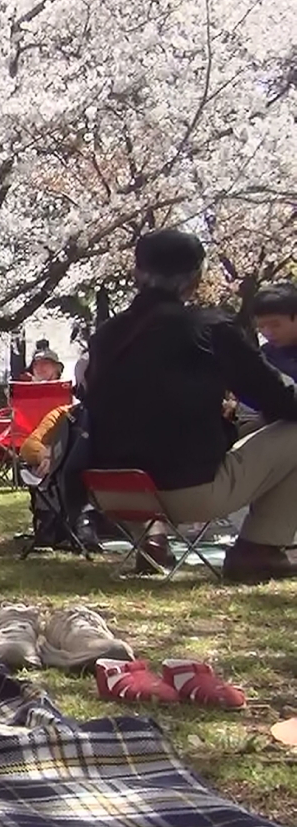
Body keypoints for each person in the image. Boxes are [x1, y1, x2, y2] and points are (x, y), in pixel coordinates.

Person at [84, 229, 297, 583]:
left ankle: (157, 540)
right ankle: (259, 548)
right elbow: (278, 399)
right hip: (187, 492)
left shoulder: (106, 334)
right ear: (197, 278)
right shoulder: (211, 328)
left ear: (137, 274)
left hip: (112, 491)